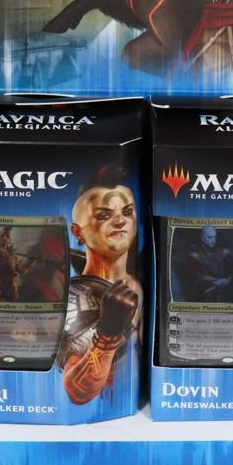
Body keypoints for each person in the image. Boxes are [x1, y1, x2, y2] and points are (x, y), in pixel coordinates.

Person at [57, 166, 141, 405]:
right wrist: (108, 333)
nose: (120, 221)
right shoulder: (77, 296)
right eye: (103, 216)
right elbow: (77, 391)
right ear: (78, 232)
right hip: (112, 410)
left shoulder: (141, 276)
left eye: (127, 212)